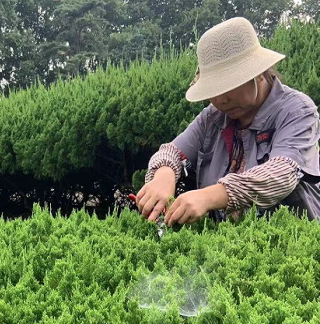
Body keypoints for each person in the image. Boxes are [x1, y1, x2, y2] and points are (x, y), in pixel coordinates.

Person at [135, 17, 320, 226]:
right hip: (227, 244)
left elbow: (282, 173)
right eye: (213, 90)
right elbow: (172, 152)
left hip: (292, 240)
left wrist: (209, 197)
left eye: (229, 86)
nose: (220, 100)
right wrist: (164, 174)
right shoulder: (213, 117)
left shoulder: (297, 110)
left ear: (259, 73)